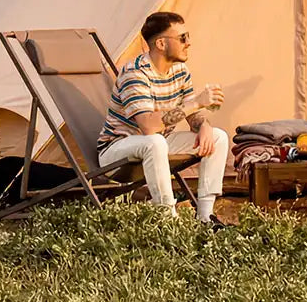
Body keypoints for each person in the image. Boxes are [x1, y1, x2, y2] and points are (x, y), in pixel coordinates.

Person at [97, 11, 229, 224]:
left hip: (157, 144)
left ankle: (206, 216)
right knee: (155, 141)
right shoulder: (135, 73)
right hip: (116, 151)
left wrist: (204, 125)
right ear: (160, 43)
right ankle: (168, 218)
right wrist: (196, 102)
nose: (189, 43)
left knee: (218, 136)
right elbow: (148, 126)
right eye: (183, 38)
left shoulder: (180, 70)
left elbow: (193, 115)